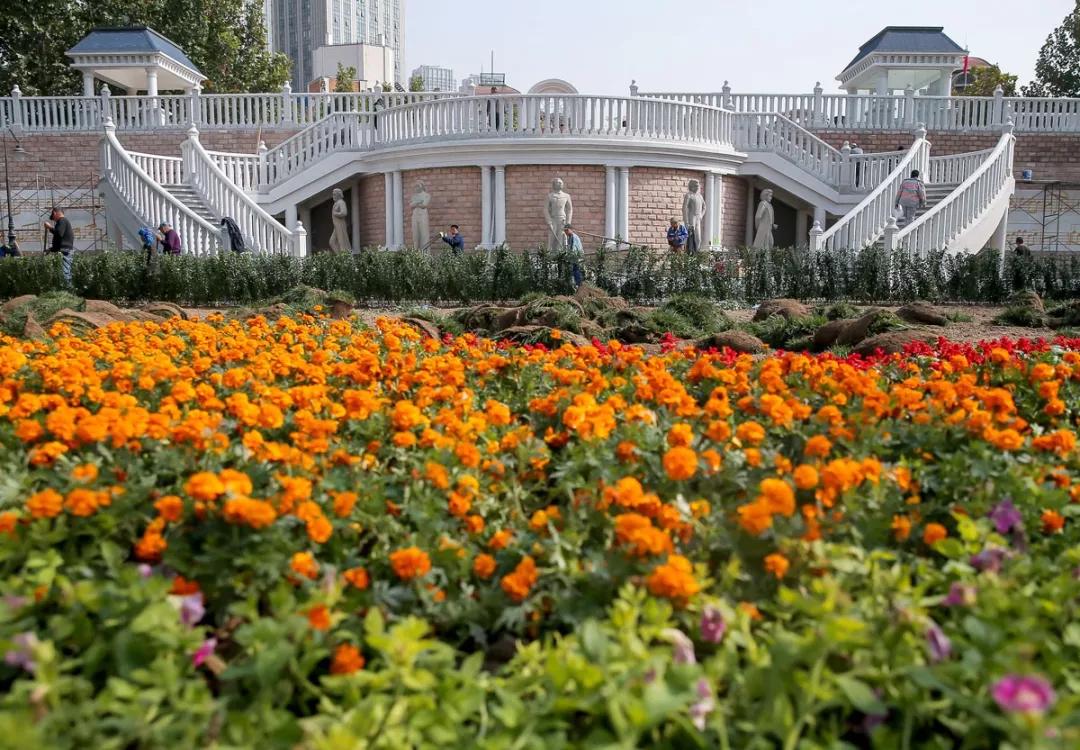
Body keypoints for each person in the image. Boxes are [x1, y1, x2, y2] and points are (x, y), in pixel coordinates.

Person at [43, 207, 74, 284]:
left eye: (53, 217)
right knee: (63, 272)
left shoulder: (62, 220)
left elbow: (59, 233)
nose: (54, 220)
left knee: (65, 272)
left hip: (64, 250)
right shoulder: (62, 222)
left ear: (55, 213)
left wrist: (50, 227)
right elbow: (58, 239)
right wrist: (51, 249)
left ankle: (67, 292)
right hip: (64, 249)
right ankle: (65, 290)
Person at [564, 224, 584, 288]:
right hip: (573, 257)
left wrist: (569, 256)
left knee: (576, 270)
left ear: (571, 230)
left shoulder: (574, 237)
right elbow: (569, 248)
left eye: (567, 230)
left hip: (577, 256)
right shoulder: (569, 237)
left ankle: (579, 284)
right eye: (565, 231)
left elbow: (574, 248)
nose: (566, 232)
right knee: (573, 270)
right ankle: (576, 284)